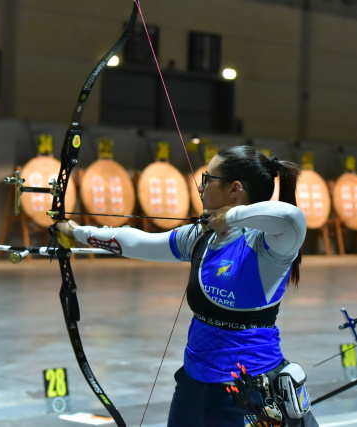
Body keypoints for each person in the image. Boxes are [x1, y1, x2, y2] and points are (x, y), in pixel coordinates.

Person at [57, 146, 319, 427]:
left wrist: (230, 217)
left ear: (235, 189)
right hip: (194, 385)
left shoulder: (269, 244)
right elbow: (138, 242)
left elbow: (291, 217)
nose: (201, 188)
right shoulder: (200, 237)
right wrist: (78, 233)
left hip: (251, 388)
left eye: (208, 179)